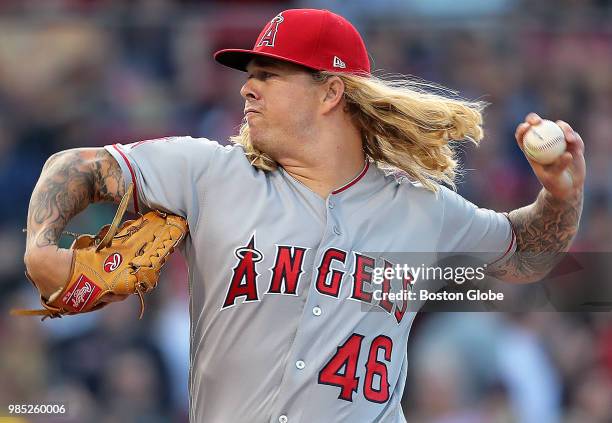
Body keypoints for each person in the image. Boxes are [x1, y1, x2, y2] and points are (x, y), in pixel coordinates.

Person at [23, 8, 585, 423]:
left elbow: (525, 257)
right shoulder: (210, 172)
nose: (248, 88)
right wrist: (42, 245)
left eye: (269, 74)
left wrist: (559, 197)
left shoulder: (420, 206)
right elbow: (78, 167)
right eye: (250, 73)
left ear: (331, 92)